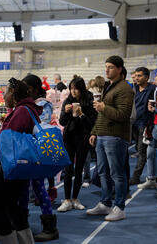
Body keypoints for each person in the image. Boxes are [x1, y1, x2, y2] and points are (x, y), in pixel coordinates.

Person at [0, 78, 42, 243]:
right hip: (20, 165)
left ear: (13, 92)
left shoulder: (22, 110)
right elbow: (14, 131)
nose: (3, 96)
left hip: (13, 166)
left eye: (5, 92)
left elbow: (9, 137)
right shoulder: (26, 109)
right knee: (12, 208)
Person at [87, 55, 134, 221]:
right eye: (106, 66)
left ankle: (120, 207)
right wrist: (94, 132)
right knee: (102, 172)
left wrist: (103, 107)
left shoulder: (125, 89)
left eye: (111, 67)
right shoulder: (109, 86)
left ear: (119, 69)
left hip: (115, 136)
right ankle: (105, 203)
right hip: (102, 135)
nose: (107, 69)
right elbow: (101, 115)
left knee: (117, 174)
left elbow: (123, 115)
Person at [22, 74, 59, 242]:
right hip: (29, 149)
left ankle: (49, 226)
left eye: (26, 87)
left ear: (34, 89)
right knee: (29, 188)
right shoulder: (30, 104)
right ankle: (24, 224)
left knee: (38, 187)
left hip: (37, 150)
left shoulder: (43, 104)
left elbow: (40, 125)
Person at [57, 77, 97, 212]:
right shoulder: (67, 101)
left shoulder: (89, 101)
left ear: (81, 89)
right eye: (71, 88)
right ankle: (67, 199)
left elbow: (91, 124)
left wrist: (81, 114)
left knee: (79, 169)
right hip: (69, 138)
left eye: (76, 88)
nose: (73, 91)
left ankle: (75, 198)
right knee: (68, 169)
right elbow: (62, 122)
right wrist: (66, 112)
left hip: (83, 138)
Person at [138, 69, 157, 189]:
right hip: (155, 125)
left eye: (156, 76)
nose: (154, 78)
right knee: (149, 152)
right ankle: (151, 179)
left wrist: (154, 110)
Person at [129, 67, 156, 185]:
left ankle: (136, 176)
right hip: (133, 123)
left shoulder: (152, 89)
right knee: (137, 150)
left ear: (146, 77)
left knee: (142, 151)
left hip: (145, 124)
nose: (136, 78)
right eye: (136, 76)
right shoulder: (134, 88)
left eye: (139, 76)